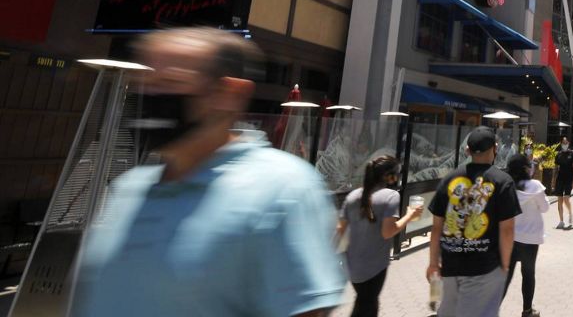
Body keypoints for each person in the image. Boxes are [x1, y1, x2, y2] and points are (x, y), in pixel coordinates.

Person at [71, 27, 345, 316]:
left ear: (230, 93)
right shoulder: (128, 189)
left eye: (172, 81)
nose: (151, 94)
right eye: (145, 80)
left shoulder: (284, 191)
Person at [427, 127, 522, 317]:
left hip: (450, 265)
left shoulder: (449, 178)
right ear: (495, 148)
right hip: (484, 267)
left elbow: (437, 227)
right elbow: (507, 229)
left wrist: (433, 263)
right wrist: (505, 263)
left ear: (468, 150)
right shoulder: (503, 181)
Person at [337, 155, 423, 316]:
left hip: (353, 266)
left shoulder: (352, 196)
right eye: (396, 173)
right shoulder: (391, 196)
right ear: (389, 176)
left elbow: (339, 229)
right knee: (366, 304)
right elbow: (388, 232)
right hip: (374, 267)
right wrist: (410, 215)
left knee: (367, 302)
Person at [503, 154, 550, 317]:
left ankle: (491, 308)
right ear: (525, 168)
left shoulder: (507, 186)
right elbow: (545, 208)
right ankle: (527, 311)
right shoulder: (535, 186)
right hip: (530, 240)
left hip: (510, 238)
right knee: (528, 274)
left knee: (506, 276)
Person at [550, 136, 573, 229]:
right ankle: (561, 221)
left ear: (568, 143)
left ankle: (570, 213)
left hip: (569, 179)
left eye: (566, 143)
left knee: (566, 199)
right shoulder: (558, 155)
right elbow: (555, 168)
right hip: (560, 179)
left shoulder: (572, 154)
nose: (565, 144)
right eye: (563, 143)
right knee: (559, 200)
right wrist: (553, 180)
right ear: (561, 143)